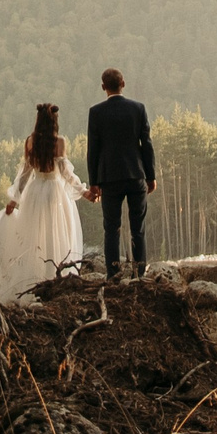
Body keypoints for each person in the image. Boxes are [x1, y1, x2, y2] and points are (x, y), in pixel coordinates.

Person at [0, 102, 86, 302]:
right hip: (54, 193)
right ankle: (54, 278)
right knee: (55, 234)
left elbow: (24, 174)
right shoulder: (59, 142)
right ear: (54, 121)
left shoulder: (30, 141)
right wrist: (83, 191)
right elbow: (66, 173)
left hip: (34, 192)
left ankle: (33, 279)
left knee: (33, 236)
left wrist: (14, 200)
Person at [84, 68, 156, 278]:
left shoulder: (96, 112)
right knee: (138, 228)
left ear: (103, 87)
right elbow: (146, 145)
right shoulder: (138, 109)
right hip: (136, 174)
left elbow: (93, 150)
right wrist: (151, 176)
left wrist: (94, 182)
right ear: (123, 83)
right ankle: (139, 273)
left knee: (112, 228)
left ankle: (113, 274)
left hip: (109, 178)